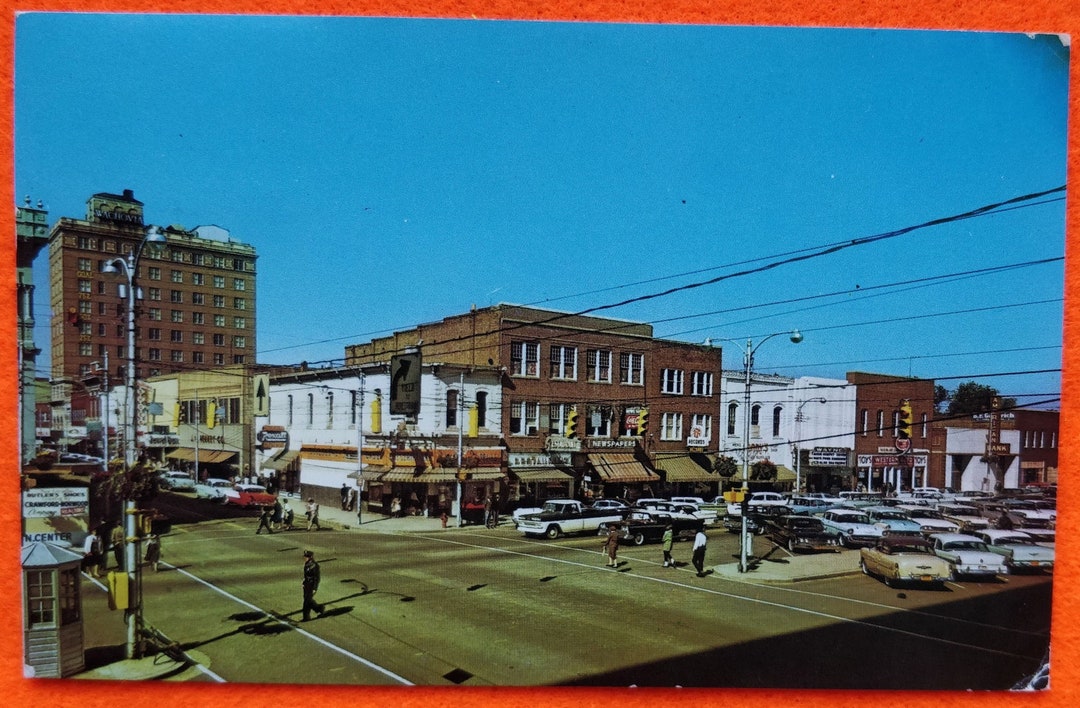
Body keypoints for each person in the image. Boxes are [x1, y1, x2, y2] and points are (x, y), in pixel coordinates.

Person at [301, 549, 325, 621]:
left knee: (306, 601)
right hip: (307, 584)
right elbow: (306, 575)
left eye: (306, 557)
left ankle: (306, 617)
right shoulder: (307, 564)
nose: (305, 558)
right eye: (305, 557)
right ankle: (319, 608)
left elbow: (317, 578)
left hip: (311, 585)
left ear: (310, 557)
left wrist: (315, 588)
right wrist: (304, 582)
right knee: (307, 600)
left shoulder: (314, 565)